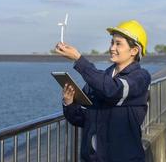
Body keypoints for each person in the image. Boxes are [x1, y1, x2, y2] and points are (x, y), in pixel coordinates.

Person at [55, 20, 151, 162]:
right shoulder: (101, 79)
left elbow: (113, 90)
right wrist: (69, 103)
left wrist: (79, 59)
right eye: (112, 42)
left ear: (134, 50)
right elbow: (83, 119)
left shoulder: (141, 78)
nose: (112, 48)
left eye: (118, 43)